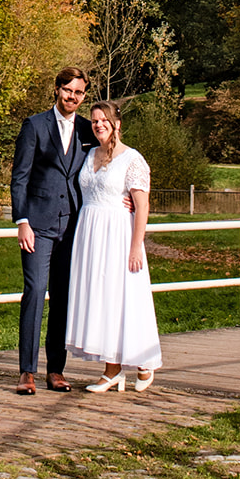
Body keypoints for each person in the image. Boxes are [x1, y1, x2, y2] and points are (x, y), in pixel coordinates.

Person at [64, 98, 162, 392]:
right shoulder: (88, 154)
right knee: (101, 298)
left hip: (118, 234)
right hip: (90, 234)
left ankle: (143, 361)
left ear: (117, 124)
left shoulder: (132, 159)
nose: (98, 125)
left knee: (123, 297)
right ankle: (112, 369)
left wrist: (136, 246)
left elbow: (142, 206)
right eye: (94, 121)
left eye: (104, 120)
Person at [10, 66, 95, 395]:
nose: (73, 97)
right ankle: (26, 372)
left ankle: (55, 370)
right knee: (34, 293)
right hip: (38, 225)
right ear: (57, 89)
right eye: (68, 90)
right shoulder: (35, 125)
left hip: (73, 225)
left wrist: (126, 198)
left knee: (63, 298)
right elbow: (20, 178)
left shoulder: (88, 129)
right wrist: (22, 222)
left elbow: (106, 164)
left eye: (79, 93)